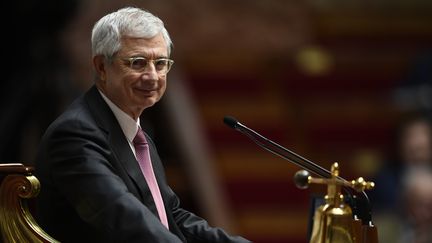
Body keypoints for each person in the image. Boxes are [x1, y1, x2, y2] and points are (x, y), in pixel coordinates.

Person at [34, 6, 250, 243]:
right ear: (101, 67)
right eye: (137, 63)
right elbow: (124, 217)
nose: (152, 76)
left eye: (160, 63)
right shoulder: (75, 134)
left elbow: (171, 217)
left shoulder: (137, 134)